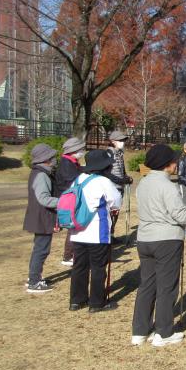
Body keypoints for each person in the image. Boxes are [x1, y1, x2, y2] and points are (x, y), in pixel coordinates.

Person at [131, 144, 186, 347]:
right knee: (167, 286)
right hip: (166, 240)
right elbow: (180, 214)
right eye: (174, 161)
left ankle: (140, 331)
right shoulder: (168, 186)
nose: (176, 164)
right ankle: (164, 332)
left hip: (145, 240)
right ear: (166, 164)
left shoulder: (142, 184)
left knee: (147, 285)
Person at [69, 150, 122, 312]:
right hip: (97, 231)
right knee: (98, 267)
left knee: (79, 266)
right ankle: (97, 303)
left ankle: (77, 301)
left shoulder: (78, 179)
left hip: (77, 231)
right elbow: (116, 203)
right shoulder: (103, 182)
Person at [23, 144, 60, 293]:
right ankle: (34, 281)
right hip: (42, 217)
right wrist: (63, 202)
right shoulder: (42, 175)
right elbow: (44, 199)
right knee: (42, 249)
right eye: (52, 157)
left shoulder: (38, 172)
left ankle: (34, 277)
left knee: (39, 248)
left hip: (40, 216)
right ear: (46, 159)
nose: (54, 160)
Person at [54, 137, 86, 267]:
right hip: (68, 199)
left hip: (70, 197)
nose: (82, 151)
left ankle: (71, 254)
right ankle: (68, 256)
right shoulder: (67, 164)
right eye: (81, 149)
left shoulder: (72, 162)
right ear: (74, 150)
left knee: (74, 227)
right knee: (73, 227)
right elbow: (72, 181)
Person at [106, 130, 133, 239]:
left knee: (115, 213)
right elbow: (107, 173)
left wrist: (127, 178)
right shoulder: (109, 153)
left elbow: (122, 170)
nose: (122, 142)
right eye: (120, 140)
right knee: (109, 213)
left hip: (119, 187)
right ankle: (107, 235)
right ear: (113, 141)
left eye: (123, 140)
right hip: (111, 187)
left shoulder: (120, 153)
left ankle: (112, 235)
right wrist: (121, 181)